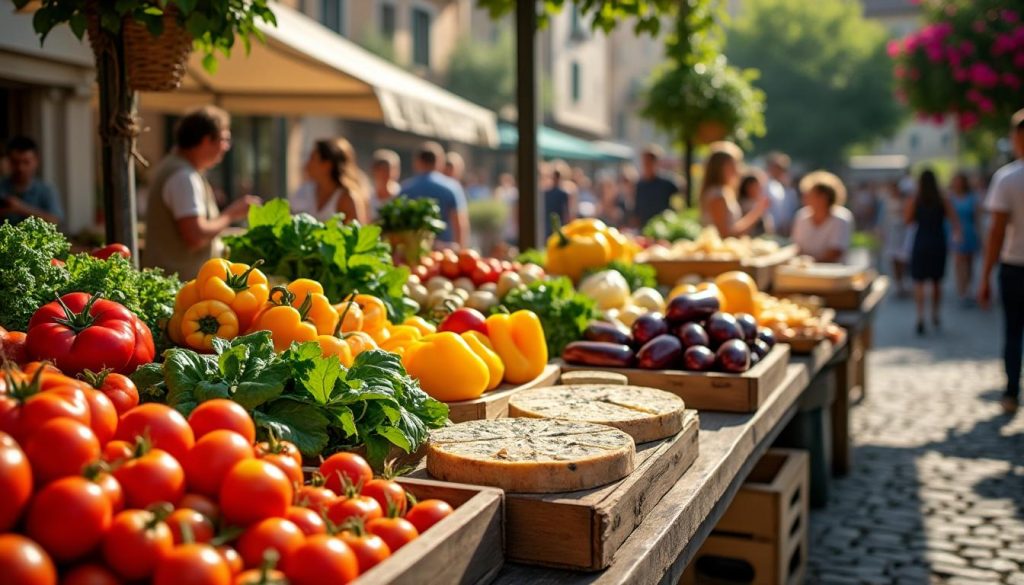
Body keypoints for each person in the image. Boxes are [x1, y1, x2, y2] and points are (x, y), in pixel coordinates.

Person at [142, 105, 261, 278]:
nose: (227, 147)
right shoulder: (183, 176)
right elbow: (196, 237)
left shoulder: (178, 169)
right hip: (178, 288)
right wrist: (231, 214)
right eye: (224, 139)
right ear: (206, 140)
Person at [979, 108, 1024, 414]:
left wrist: (984, 275)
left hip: (1014, 265)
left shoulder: (1008, 178)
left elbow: (996, 232)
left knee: (1013, 331)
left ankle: (1011, 393)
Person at [906, 168, 961, 335]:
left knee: (919, 282)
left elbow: (907, 220)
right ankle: (935, 314)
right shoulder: (943, 199)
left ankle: (920, 316)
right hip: (938, 241)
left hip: (921, 241)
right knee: (937, 281)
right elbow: (954, 220)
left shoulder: (916, 199)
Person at [401, 141, 469, 246]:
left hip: (413, 250)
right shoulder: (451, 187)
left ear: (417, 162)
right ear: (439, 161)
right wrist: (460, 250)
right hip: (444, 253)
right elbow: (459, 223)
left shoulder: (406, 188)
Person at [291, 138, 369, 224]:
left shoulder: (346, 198)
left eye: (312, 158)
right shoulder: (304, 190)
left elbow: (357, 234)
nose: (307, 163)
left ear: (327, 165)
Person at [699, 142, 769, 237]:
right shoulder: (717, 195)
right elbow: (725, 234)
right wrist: (756, 213)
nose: (738, 170)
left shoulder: (723, 191)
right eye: (733, 165)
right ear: (720, 168)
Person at [790, 171, 854, 262]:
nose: (805, 198)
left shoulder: (841, 219)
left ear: (824, 197)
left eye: (811, 195)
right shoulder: (801, 216)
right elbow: (796, 246)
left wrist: (811, 262)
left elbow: (836, 252)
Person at [0, 136, 63, 225]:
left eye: (26, 162)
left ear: (36, 161)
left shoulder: (46, 190)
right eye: (15, 162)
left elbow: (55, 221)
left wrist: (21, 208)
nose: (20, 168)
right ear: (8, 162)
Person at [950, 172, 982, 304]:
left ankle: (968, 288)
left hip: (969, 231)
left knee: (969, 263)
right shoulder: (950, 198)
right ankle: (961, 289)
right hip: (956, 233)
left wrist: (980, 235)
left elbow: (977, 218)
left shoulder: (972, 198)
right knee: (958, 262)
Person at [634, 145, 680, 228]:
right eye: (645, 162)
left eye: (649, 162)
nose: (646, 165)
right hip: (645, 227)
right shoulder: (640, 185)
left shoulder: (667, 183)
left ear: (656, 163)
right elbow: (637, 209)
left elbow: (679, 199)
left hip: (664, 227)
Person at [880, 181, 911, 296]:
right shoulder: (886, 201)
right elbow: (883, 217)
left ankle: (904, 283)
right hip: (891, 232)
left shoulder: (905, 200)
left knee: (902, 258)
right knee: (893, 259)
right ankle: (898, 284)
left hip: (902, 232)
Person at [765, 152, 800, 236]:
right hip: (769, 231)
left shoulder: (788, 190)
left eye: (779, 168)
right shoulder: (764, 185)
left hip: (784, 231)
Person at [544, 160, 576, 237]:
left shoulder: (547, 192)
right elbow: (567, 211)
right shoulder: (562, 193)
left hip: (554, 222)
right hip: (554, 222)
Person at [737, 171, 774, 237]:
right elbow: (746, 227)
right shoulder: (745, 205)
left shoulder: (756, 203)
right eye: (755, 186)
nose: (759, 189)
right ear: (747, 187)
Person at [370, 149, 401, 216]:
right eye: (381, 170)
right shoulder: (368, 196)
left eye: (387, 170)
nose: (384, 175)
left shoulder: (400, 194)